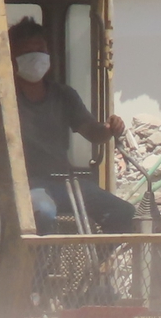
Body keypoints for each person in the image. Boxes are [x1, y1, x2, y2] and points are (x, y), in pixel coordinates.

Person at [9, 17, 138, 233]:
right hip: (24, 183)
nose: (35, 57)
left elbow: (92, 131)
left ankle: (97, 265)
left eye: (40, 49)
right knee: (43, 212)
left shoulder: (63, 95)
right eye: (27, 51)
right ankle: (39, 267)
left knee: (124, 213)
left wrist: (109, 128)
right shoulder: (6, 98)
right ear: (12, 58)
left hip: (64, 182)